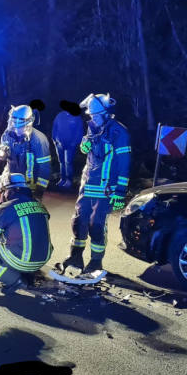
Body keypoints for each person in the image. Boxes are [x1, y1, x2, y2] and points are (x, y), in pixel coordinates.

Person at [56, 93, 131, 278]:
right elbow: (88, 152)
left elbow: (124, 163)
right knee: (79, 221)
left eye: (96, 115)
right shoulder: (93, 128)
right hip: (87, 184)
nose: (92, 118)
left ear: (107, 114)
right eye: (91, 115)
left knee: (96, 225)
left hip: (106, 189)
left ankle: (96, 262)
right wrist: (84, 144)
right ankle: (75, 257)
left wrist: (120, 192)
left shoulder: (119, 132)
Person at [0, 173, 53, 293]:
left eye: (2, 191)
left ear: (8, 191)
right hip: (43, 259)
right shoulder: (39, 205)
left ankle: (15, 280)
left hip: (22, 260)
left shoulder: (7, 207)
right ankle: (27, 274)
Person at [0, 105, 51, 200]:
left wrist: (40, 189)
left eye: (20, 126)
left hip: (29, 187)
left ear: (28, 124)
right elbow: (3, 156)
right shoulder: (7, 134)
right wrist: (3, 153)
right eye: (14, 124)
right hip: (10, 182)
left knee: (27, 213)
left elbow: (45, 167)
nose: (17, 130)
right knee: (4, 209)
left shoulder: (39, 140)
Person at [52, 100, 83, 189]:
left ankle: (69, 180)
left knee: (68, 162)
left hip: (70, 144)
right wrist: (55, 139)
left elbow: (79, 131)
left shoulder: (76, 117)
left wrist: (75, 142)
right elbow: (55, 127)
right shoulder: (60, 115)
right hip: (59, 144)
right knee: (61, 162)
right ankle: (62, 179)